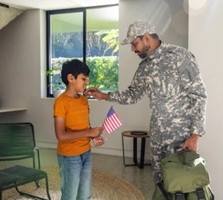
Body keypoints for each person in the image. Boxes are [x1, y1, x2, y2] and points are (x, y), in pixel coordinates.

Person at [86, 20, 207, 198]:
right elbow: (133, 94)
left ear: (147, 38)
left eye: (135, 43)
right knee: (160, 182)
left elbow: (199, 95)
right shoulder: (144, 68)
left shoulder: (181, 56)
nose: (133, 49)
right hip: (158, 137)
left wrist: (196, 134)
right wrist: (105, 96)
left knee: (183, 185)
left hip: (181, 137)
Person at [53, 59, 105, 200]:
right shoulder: (60, 102)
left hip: (86, 153)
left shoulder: (84, 100)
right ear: (71, 78)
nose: (86, 82)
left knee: (85, 195)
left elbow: (85, 126)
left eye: (87, 78)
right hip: (70, 156)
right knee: (70, 195)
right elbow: (61, 135)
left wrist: (93, 136)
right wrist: (89, 132)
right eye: (83, 78)